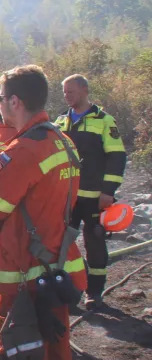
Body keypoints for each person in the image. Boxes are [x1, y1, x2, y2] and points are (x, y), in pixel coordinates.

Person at [0, 65, 87, 360]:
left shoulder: (22, 150)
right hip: (58, 268)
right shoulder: (62, 139)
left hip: (22, 271)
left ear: (15, 101)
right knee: (56, 348)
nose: (0, 106)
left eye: (2, 99)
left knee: (23, 355)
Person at [54, 74, 127, 308]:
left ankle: (94, 293)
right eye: (64, 92)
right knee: (63, 243)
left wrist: (108, 191)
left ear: (84, 90)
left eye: (71, 92)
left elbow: (117, 156)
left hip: (95, 197)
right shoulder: (60, 122)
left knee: (94, 242)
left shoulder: (104, 120)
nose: (67, 96)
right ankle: (69, 289)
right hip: (67, 197)